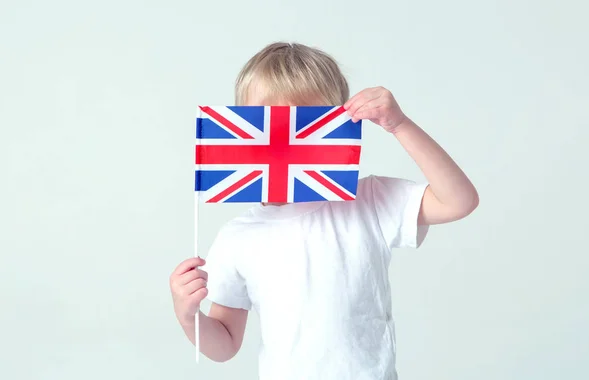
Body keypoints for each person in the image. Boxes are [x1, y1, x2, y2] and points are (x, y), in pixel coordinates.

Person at [169, 41, 479, 380]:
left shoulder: (369, 201)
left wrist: (399, 125)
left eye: (304, 122)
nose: (285, 137)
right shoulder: (237, 237)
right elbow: (225, 344)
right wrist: (189, 316)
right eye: (268, 119)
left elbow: (458, 201)